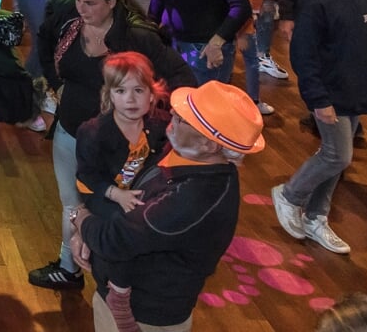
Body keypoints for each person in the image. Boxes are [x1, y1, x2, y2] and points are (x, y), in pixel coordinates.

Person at [29, 0, 194, 293]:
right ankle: (68, 268)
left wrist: (180, 120)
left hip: (119, 145)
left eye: (90, 3)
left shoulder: (137, 38)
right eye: (77, 1)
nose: (81, 9)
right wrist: (56, 82)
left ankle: (116, 281)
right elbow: (44, 40)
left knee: (115, 208)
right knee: (72, 205)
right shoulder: (68, 22)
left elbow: (180, 76)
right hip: (69, 133)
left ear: (111, 3)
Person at [71, 81, 264, 331]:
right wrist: (86, 230)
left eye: (184, 119)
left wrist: (79, 217)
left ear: (210, 144)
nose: (173, 113)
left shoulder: (193, 198)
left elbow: (115, 239)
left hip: (142, 316)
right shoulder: (185, 156)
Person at [272, 0, 367, 255]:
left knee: (336, 160)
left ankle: (316, 216)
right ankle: (289, 194)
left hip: (355, 93)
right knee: (339, 155)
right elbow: (303, 58)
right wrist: (318, 101)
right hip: (331, 96)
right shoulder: (315, 6)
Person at [73, 52, 170, 325]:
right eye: (121, 90)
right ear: (110, 95)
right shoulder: (93, 131)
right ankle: (119, 290)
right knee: (123, 226)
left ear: (151, 95)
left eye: (139, 90)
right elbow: (87, 175)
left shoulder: (159, 124)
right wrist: (116, 195)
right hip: (101, 192)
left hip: (135, 191)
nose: (130, 99)